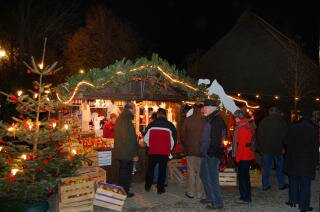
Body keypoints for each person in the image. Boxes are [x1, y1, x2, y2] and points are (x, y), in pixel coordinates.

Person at [284, 110, 319, 212]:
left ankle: (293, 201)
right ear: (311, 117)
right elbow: (315, 147)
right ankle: (304, 207)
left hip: (293, 158)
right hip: (307, 160)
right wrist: (316, 162)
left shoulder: (293, 126)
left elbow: (285, 141)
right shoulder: (314, 128)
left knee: (293, 181)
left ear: (300, 116)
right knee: (305, 184)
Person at [199, 99, 226, 210]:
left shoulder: (216, 120)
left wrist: (210, 152)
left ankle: (217, 202)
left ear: (210, 108)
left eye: (205, 107)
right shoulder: (211, 119)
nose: (203, 109)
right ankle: (210, 197)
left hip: (212, 155)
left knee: (212, 178)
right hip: (207, 153)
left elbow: (216, 141)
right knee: (204, 175)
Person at [144, 108, 177, 194]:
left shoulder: (151, 125)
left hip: (153, 150)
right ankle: (160, 189)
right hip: (164, 151)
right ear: (165, 115)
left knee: (150, 169)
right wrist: (170, 149)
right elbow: (173, 140)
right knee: (162, 170)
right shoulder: (170, 125)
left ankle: (147, 186)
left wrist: (149, 145)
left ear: (157, 115)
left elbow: (145, 138)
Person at [257, 107, 288, 190]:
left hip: (266, 149)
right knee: (280, 167)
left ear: (269, 112)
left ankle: (265, 185)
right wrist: (284, 147)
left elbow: (259, 136)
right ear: (277, 112)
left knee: (266, 168)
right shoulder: (282, 122)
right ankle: (281, 184)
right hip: (278, 148)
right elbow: (286, 136)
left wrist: (261, 148)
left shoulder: (263, 121)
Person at [114, 103, 139, 197]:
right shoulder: (127, 119)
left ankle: (121, 190)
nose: (136, 111)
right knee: (126, 173)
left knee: (122, 172)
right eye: (135, 109)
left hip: (122, 150)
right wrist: (135, 154)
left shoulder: (121, 118)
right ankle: (124, 192)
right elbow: (130, 139)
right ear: (131, 109)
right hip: (126, 152)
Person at [180, 104, 205, 199]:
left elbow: (182, 136)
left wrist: (186, 145)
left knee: (190, 171)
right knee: (200, 172)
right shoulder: (205, 120)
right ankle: (199, 193)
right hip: (201, 151)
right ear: (201, 109)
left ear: (193, 109)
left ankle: (190, 192)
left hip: (190, 150)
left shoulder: (187, 120)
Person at [233, 109, 255, 204]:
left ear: (238, 117)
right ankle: (245, 196)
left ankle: (245, 197)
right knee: (244, 176)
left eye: (235, 117)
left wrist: (237, 158)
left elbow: (241, 145)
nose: (234, 119)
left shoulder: (242, 128)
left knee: (243, 177)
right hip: (247, 155)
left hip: (244, 156)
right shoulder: (246, 125)